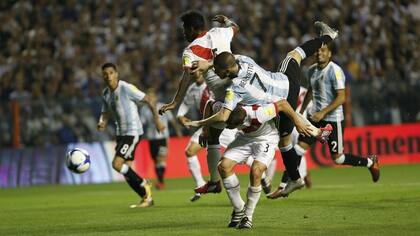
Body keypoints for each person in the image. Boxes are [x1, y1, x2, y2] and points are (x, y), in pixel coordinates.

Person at [187, 21, 338, 197]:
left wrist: (200, 122)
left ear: (226, 72)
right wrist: (209, 64)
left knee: (285, 142)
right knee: (295, 54)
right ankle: (327, 37)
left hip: (283, 100)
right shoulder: (243, 59)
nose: (217, 75)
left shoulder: (235, 89)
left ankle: (297, 176)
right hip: (286, 82)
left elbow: (223, 116)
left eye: (218, 72)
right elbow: (225, 59)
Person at [268, 42, 380, 198]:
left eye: (323, 50)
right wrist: (299, 113)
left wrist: (323, 112)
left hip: (333, 120)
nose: (319, 53)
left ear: (329, 54)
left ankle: (369, 162)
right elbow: (310, 92)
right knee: (298, 149)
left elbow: (341, 98)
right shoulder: (311, 70)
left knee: (338, 158)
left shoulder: (336, 71)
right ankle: (284, 186)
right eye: (317, 51)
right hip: (315, 119)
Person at [159, 10, 240, 194]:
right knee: (218, 134)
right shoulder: (221, 31)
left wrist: (174, 102)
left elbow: (186, 77)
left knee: (214, 137)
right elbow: (235, 28)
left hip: (223, 99)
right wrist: (227, 21)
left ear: (193, 29)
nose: (183, 33)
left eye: (185, 29)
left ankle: (214, 181)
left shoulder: (190, 51)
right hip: (240, 91)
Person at [215, 102, 331, 229]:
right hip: (244, 138)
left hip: (266, 139)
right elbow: (213, 110)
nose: (228, 127)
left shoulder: (260, 114)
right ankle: (239, 208)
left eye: (231, 125)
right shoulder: (233, 103)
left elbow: (283, 105)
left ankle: (248, 216)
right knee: (223, 166)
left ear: (243, 121)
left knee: (256, 171)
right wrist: (201, 125)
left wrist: (300, 124)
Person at [97, 63, 165, 208]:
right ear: (102, 76)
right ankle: (146, 198)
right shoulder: (105, 93)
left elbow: (149, 99)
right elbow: (104, 111)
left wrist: (157, 120)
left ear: (116, 74)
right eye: (105, 73)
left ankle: (143, 182)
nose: (108, 76)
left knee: (116, 164)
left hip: (132, 132)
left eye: (111, 72)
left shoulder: (126, 88)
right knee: (127, 171)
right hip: (120, 134)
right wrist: (102, 122)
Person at [140, 88, 182, 190]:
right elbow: (142, 123)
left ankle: (161, 182)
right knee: (156, 161)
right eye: (148, 97)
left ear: (155, 97)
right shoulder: (144, 110)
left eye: (152, 96)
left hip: (163, 137)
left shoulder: (163, 107)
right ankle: (160, 180)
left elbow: (172, 120)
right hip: (151, 139)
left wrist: (178, 131)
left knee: (161, 158)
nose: (150, 98)